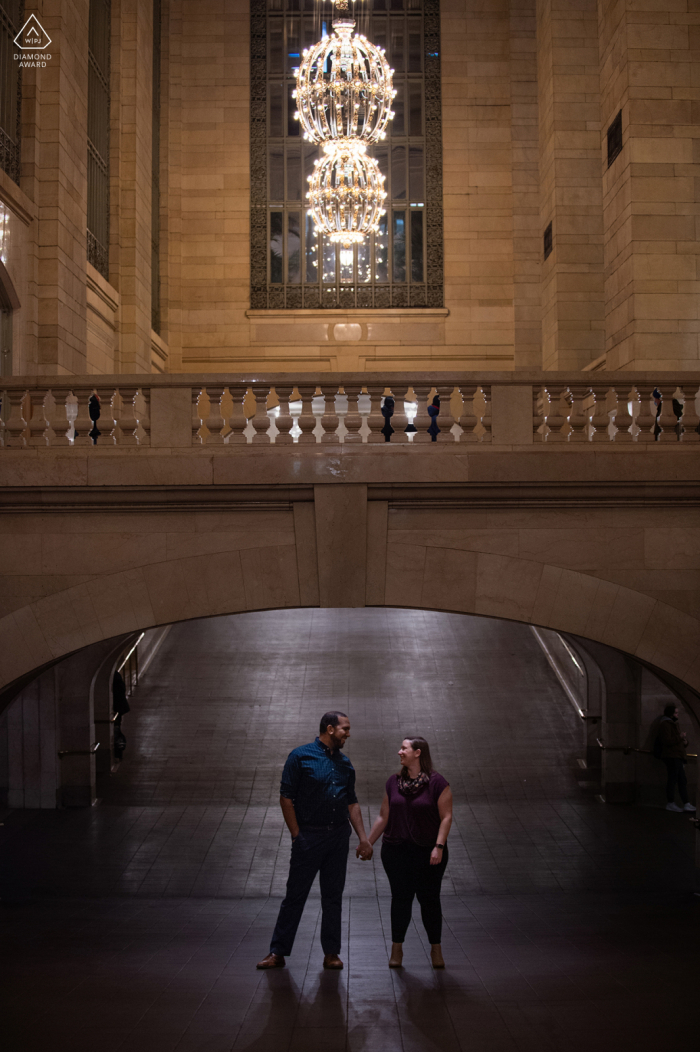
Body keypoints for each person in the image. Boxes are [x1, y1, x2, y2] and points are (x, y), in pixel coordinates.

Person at [256, 711, 373, 971]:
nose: (348, 734)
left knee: (333, 897)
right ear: (330, 729)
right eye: (345, 729)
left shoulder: (345, 763)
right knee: (295, 896)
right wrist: (297, 834)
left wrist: (363, 838)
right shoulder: (300, 756)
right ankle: (278, 952)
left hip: (338, 837)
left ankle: (331, 953)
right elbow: (286, 797)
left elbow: (351, 802)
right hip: (309, 836)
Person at [367, 736, 453, 969]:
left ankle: (436, 949)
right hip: (396, 851)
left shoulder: (437, 783)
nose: (399, 752)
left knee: (430, 900)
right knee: (401, 899)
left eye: (403, 748)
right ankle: (397, 950)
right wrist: (368, 842)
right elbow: (383, 816)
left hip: (429, 853)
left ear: (417, 753)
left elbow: (446, 817)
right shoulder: (393, 782)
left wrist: (439, 846)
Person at [657, 703, 696, 813]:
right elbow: (667, 741)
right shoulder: (665, 724)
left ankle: (686, 803)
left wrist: (684, 741)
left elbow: (678, 742)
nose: (677, 714)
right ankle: (671, 803)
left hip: (677, 755)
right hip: (672, 756)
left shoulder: (673, 724)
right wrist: (680, 737)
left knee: (682, 780)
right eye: (676, 713)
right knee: (673, 780)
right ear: (671, 714)